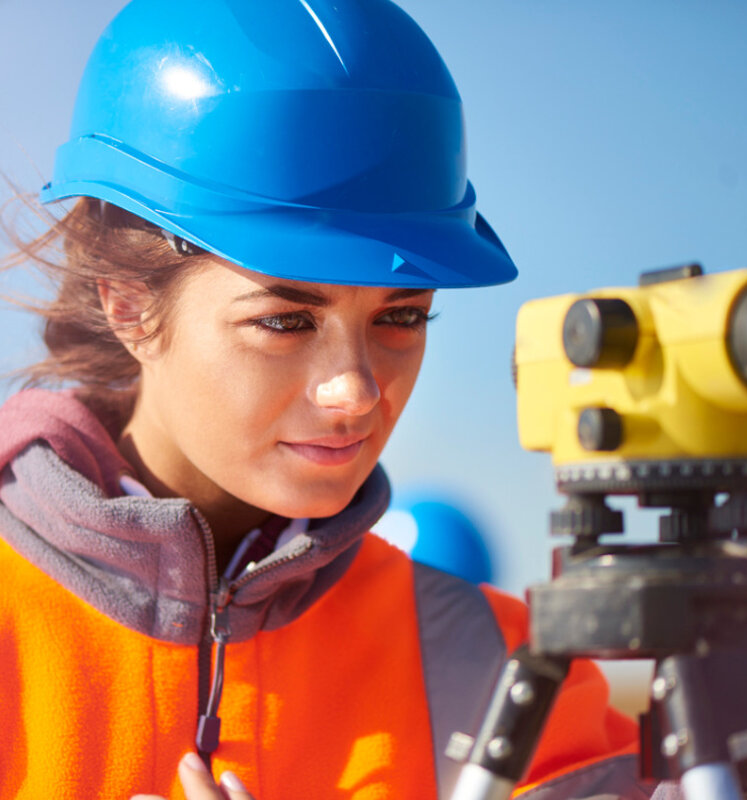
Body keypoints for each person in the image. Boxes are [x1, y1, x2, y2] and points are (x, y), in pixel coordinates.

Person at [0, 0, 659, 797]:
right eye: (284, 320)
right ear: (127, 303)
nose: (355, 391)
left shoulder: (500, 671)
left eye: (402, 317)